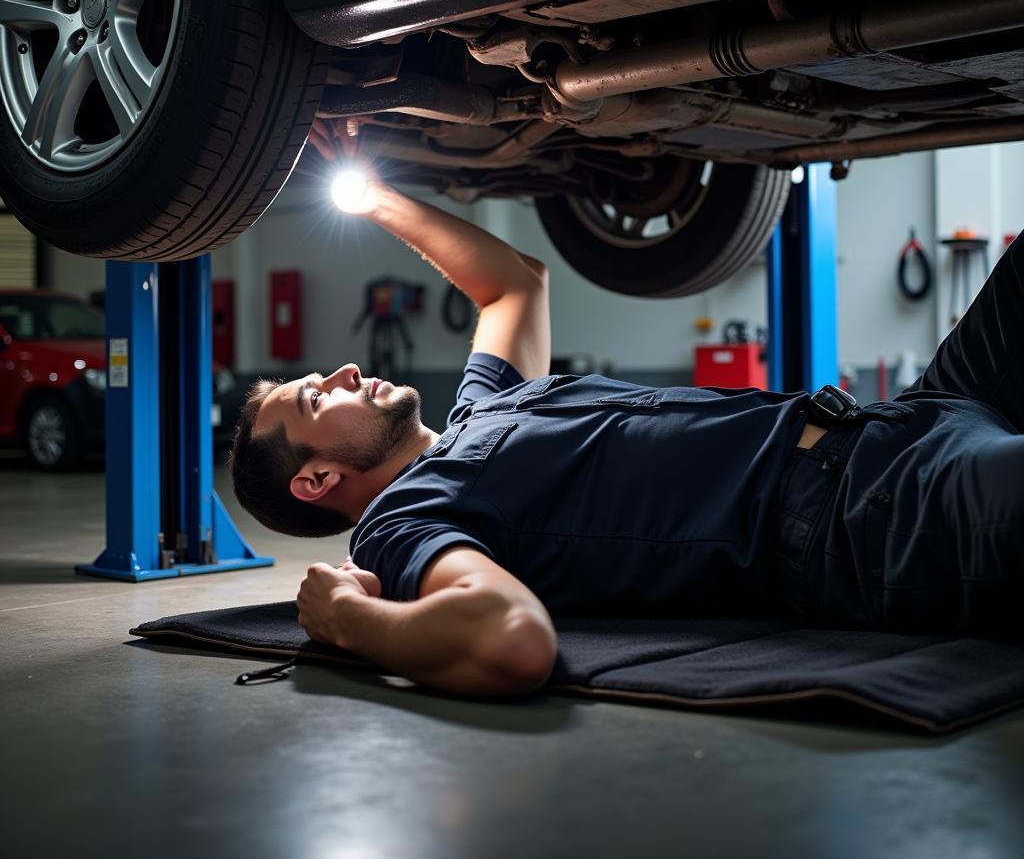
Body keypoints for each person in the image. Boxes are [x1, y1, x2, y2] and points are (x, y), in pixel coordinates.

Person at [230, 121, 1024, 696]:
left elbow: (515, 282)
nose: (339, 370)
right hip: (878, 518)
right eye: (313, 396)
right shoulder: (403, 521)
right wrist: (344, 620)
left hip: (910, 418)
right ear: (317, 479)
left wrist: (373, 200)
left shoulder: (479, 412)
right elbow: (510, 640)